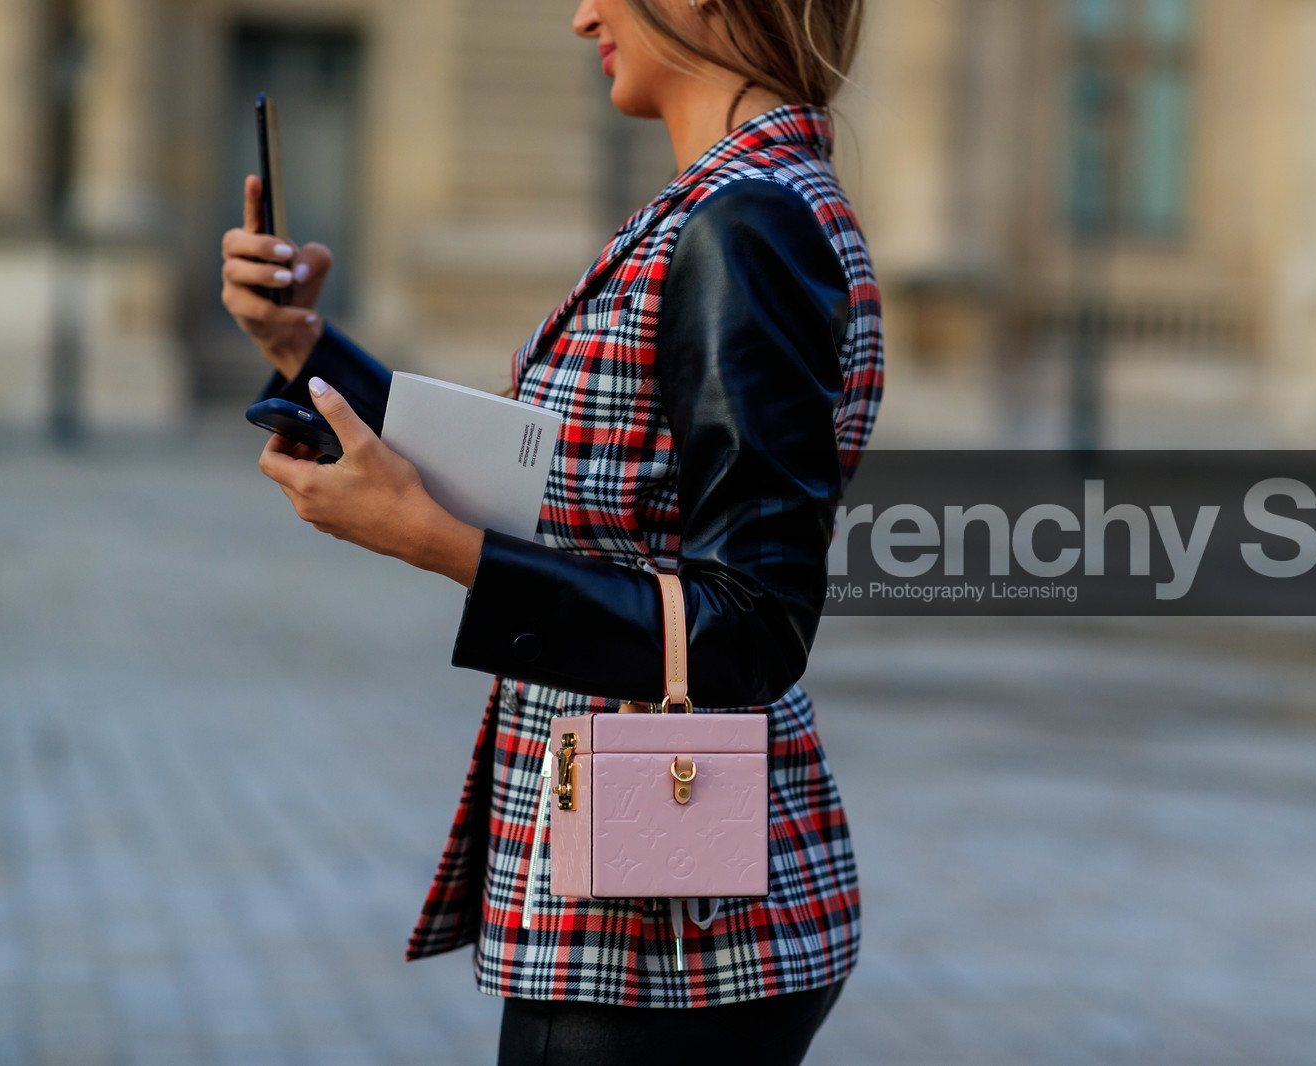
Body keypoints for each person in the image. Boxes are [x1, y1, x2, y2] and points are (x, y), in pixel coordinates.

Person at [219, 0, 881, 1062]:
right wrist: (308, 351)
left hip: (669, 921)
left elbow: (753, 624)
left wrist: (431, 541)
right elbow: (556, 485)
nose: (582, 17)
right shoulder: (725, 204)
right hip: (640, 884)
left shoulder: (745, 223)